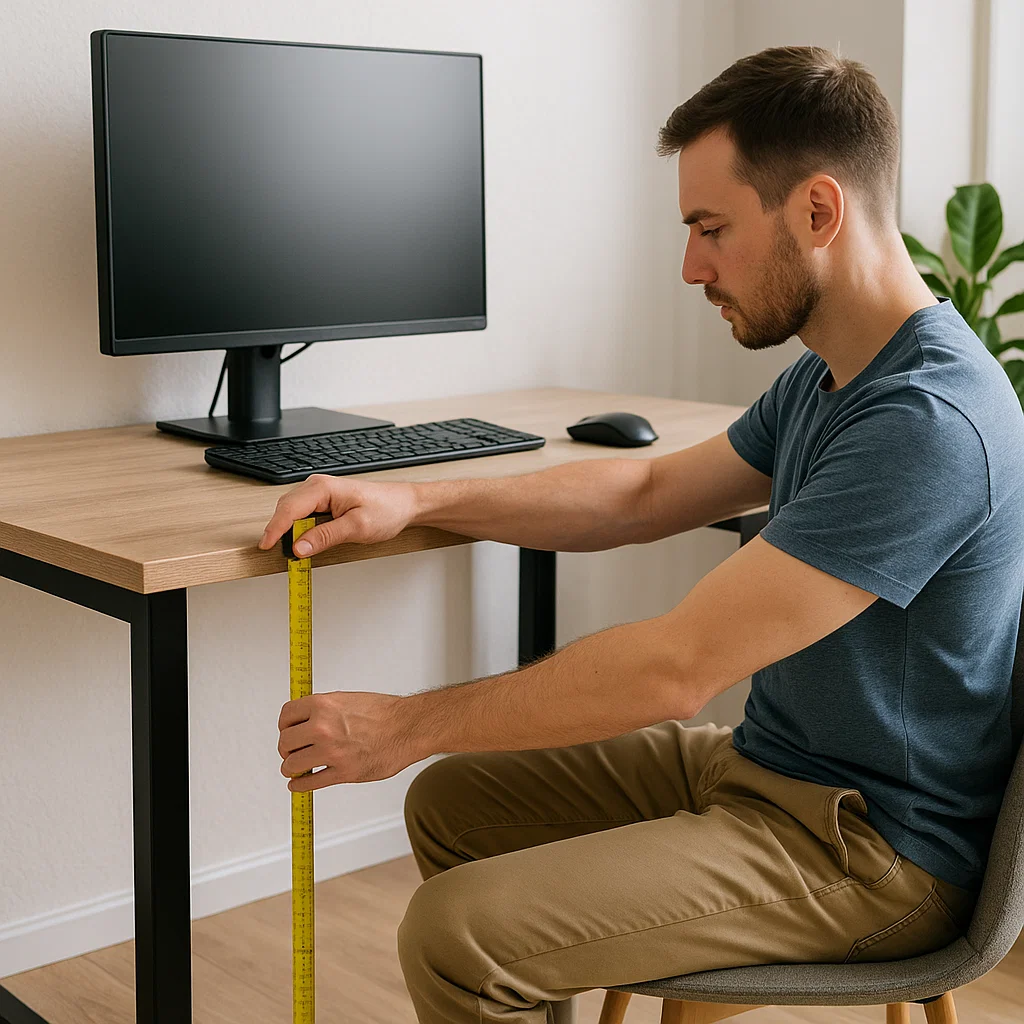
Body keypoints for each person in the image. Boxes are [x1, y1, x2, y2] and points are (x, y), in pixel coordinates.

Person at [257, 44, 1024, 1024]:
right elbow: (643, 491)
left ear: (818, 211)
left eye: (711, 228)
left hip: (868, 847)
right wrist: (418, 497)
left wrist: (402, 723)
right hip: (770, 767)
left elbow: (673, 667)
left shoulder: (929, 418)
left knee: (454, 935)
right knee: (455, 802)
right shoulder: (835, 372)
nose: (690, 266)